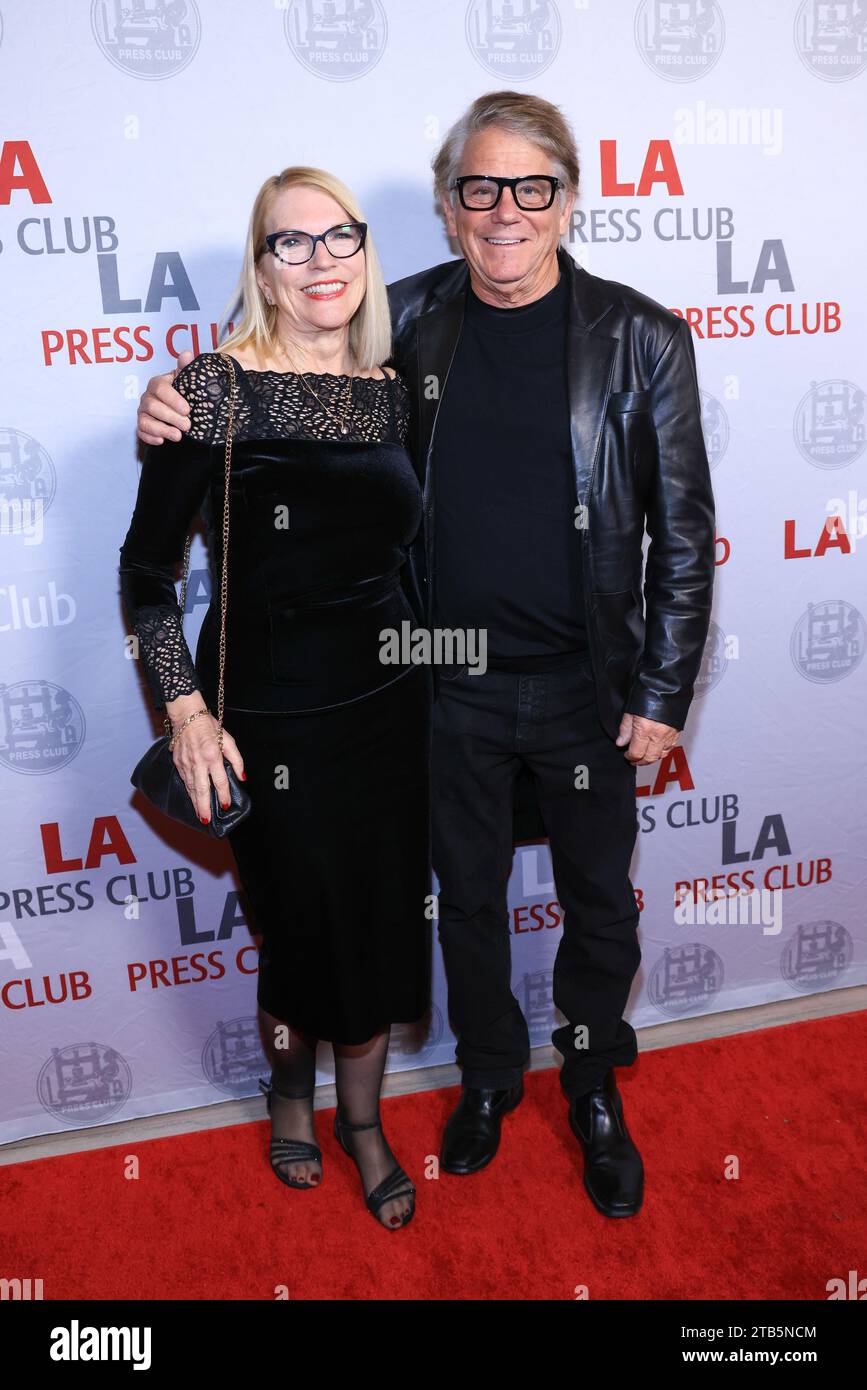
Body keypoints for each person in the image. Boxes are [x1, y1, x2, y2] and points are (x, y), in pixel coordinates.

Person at [135, 91, 716, 1220]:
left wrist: (662, 690)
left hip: (591, 691)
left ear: (567, 201)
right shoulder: (397, 325)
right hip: (436, 678)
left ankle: (592, 1079)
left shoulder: (644, 338)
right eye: (480, 188)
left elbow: (684, 531)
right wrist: (174, 397)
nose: (506, 211)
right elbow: (282, 373)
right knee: (470, 902)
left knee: (602, 904)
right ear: (449, 209)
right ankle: (491, 1077)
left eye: (531, 187)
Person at [120, 166, 432, 1231]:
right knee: (300, 933)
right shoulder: (214, 388)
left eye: (337, 236)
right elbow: (144, 573)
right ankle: (290, 1097)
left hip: (388, 710)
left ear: (364, 249)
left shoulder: (395, 390)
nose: (320, 260)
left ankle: (364, 1119)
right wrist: (187, 710)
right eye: (289, 244)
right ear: (261, 269)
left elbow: (407, 559)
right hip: (267, 721)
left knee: (383, 926)